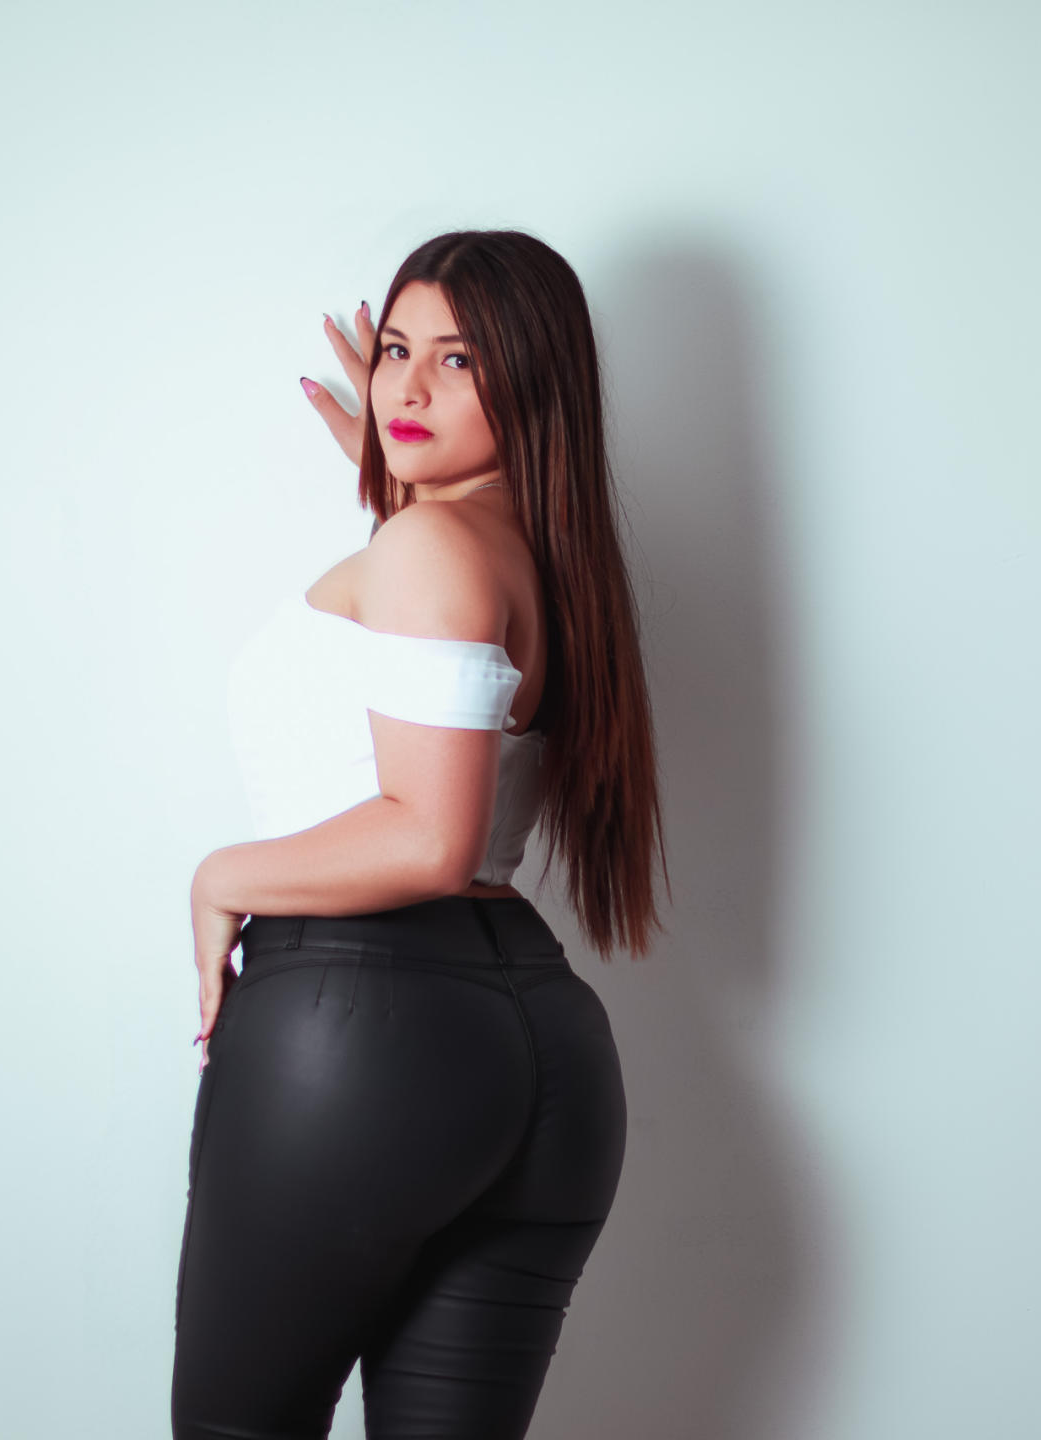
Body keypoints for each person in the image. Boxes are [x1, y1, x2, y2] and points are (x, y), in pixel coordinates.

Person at [170, 229, 669, 1440]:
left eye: (460, 360)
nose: (408, 386)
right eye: (397, 349)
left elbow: (431, 835)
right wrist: (406, 489)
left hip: (362, 1031)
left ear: (535, 380)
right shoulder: (535, 557)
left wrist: (220, 876)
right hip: (541, 1053)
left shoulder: (431, 550)